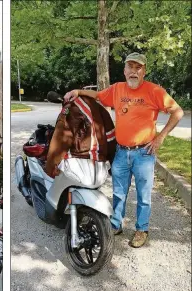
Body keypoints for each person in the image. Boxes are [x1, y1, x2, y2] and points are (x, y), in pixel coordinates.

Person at [64, 52, 184, 248]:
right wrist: (78, 92)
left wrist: (160, 137)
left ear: (144, 71)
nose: (134, 72)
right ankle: (116, 224)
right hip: (121, 152)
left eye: (138, 68)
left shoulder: (154, 91)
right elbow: (98, 96)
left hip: (144, 154)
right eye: (131, 67)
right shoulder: (118, 89)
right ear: (125, 70)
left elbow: (177, 112)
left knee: (144, 196)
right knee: (119, 193)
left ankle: (141, 230)